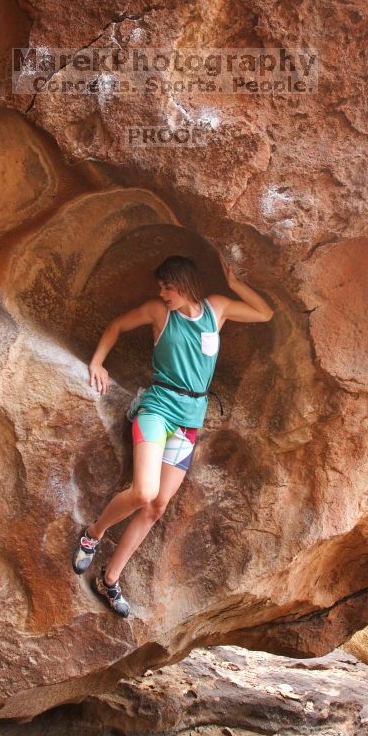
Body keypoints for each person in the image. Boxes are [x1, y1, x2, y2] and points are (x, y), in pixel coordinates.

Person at [72, 253, 274, 616]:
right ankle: (94, 533)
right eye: (161, 288)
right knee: (144, 492)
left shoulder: (218, 308)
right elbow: (117, 325)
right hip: (158, 410)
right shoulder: (159, 313)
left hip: (189, 421)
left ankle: (110, 579)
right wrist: (97, 361)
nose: (163, 293)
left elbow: (265, 313)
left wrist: (236, 284)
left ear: (186, 284)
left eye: (168, 286)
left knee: (157, 506)